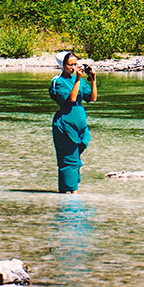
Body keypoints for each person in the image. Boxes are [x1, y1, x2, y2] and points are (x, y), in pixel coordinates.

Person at [49, 50, 97, 194]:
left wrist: (93, 78)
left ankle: (71, 193)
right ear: (62, 65)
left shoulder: (80, 81)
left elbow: (92, 98)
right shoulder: (57, 81)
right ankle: (70, 195)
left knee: (75, 158)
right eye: (70, 65)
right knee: (68, 159)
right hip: (65, 124)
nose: (73, 67)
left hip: (79, 122)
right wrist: (77, 79)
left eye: (75, 64)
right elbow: (71, 99)